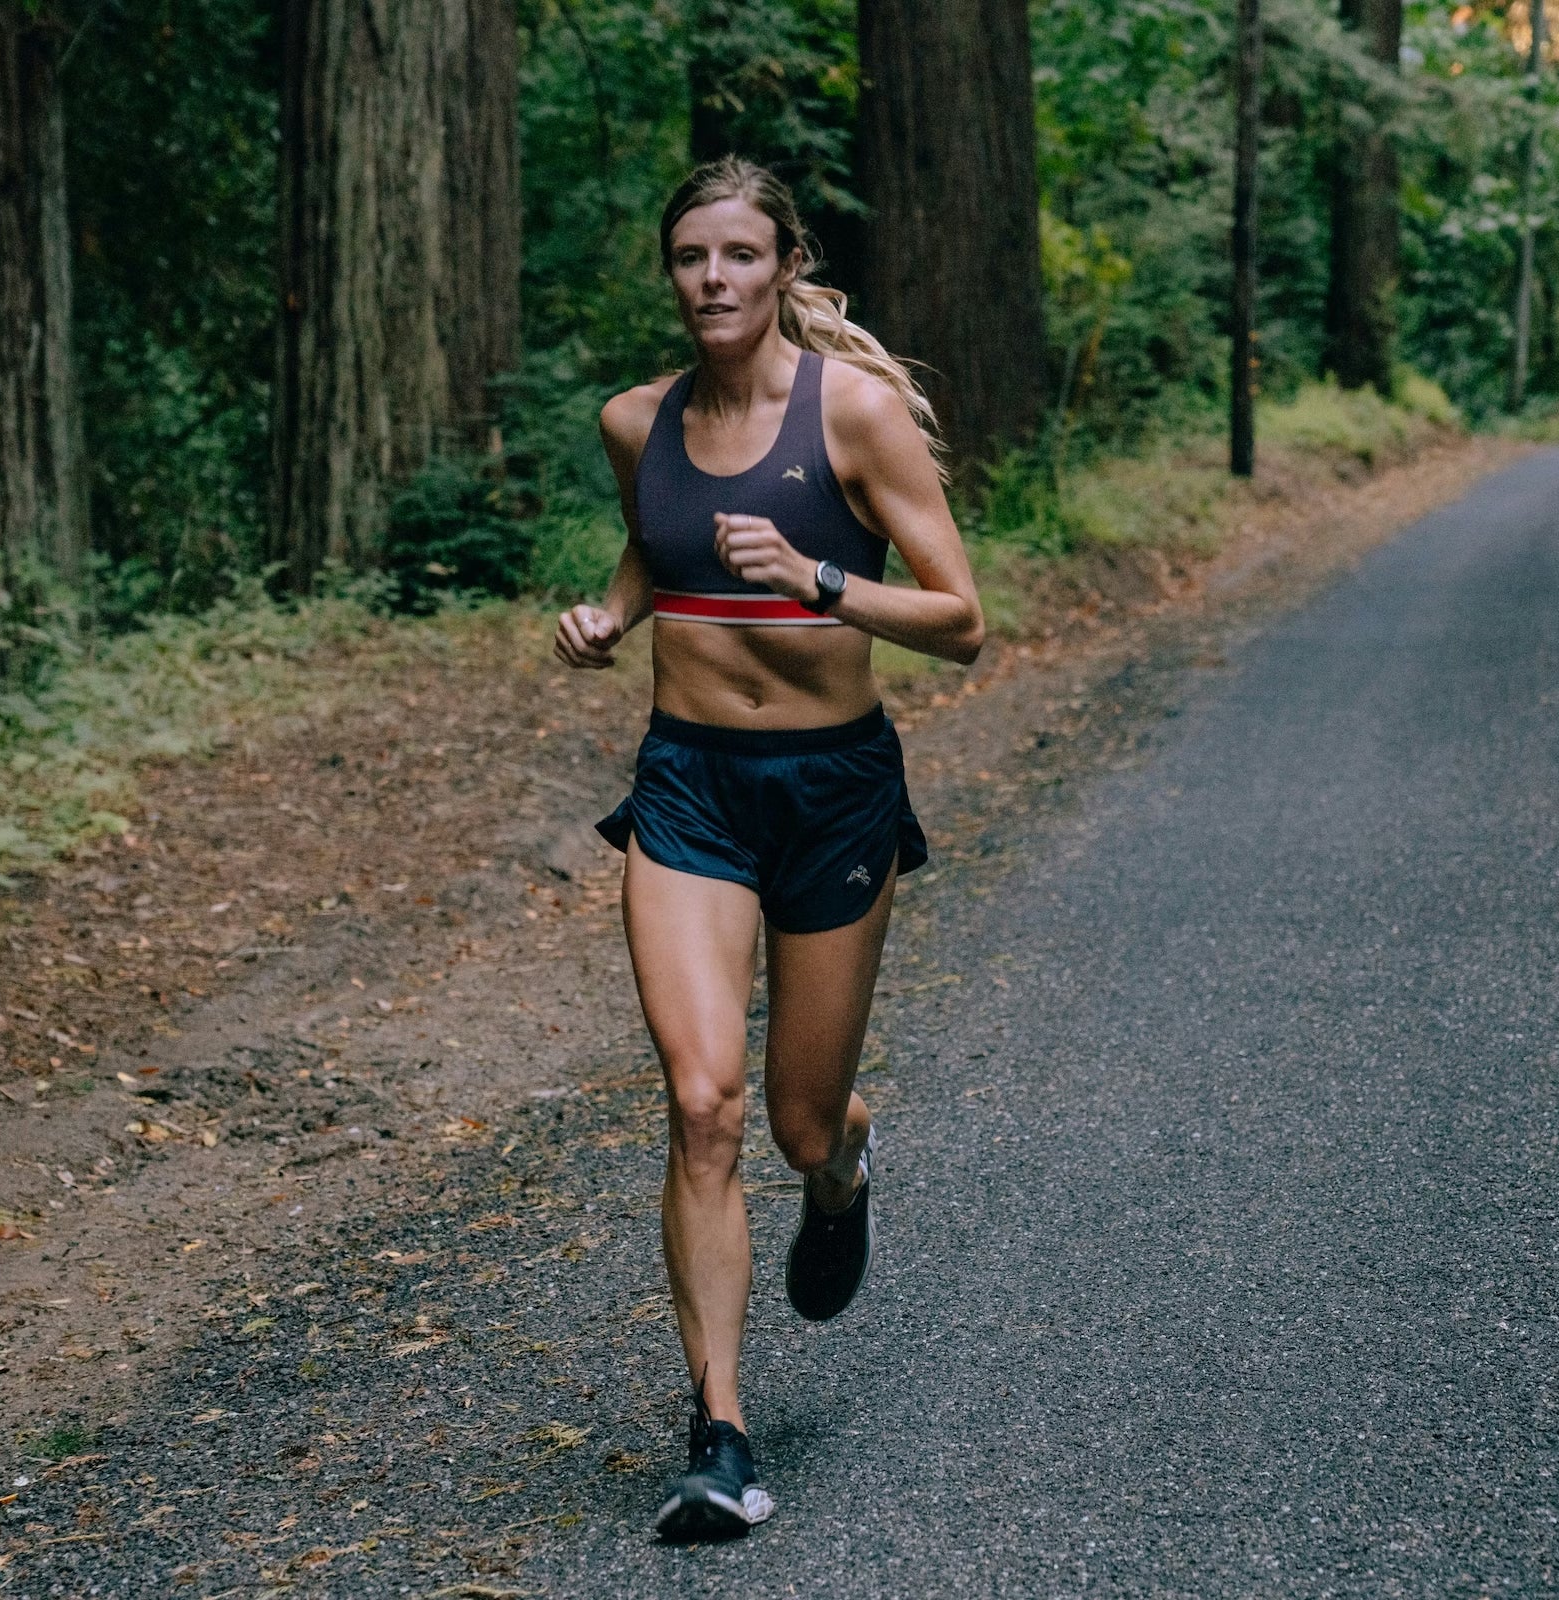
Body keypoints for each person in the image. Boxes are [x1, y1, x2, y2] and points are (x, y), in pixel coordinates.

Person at [554, 156, 984, 1542]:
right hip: (688, 786)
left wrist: (816, 580)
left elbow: (961, 616)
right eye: (691, 259)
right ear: (671, 276)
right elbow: (653, 541)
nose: (715, 281)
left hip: (833, 789)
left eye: (741, 255)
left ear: (785, 266)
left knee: (797, 1122)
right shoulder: (637, 421)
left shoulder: (851, 416)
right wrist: (613, 615)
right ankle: (721, 1436)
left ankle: (845, 1162)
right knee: (702, 1104)